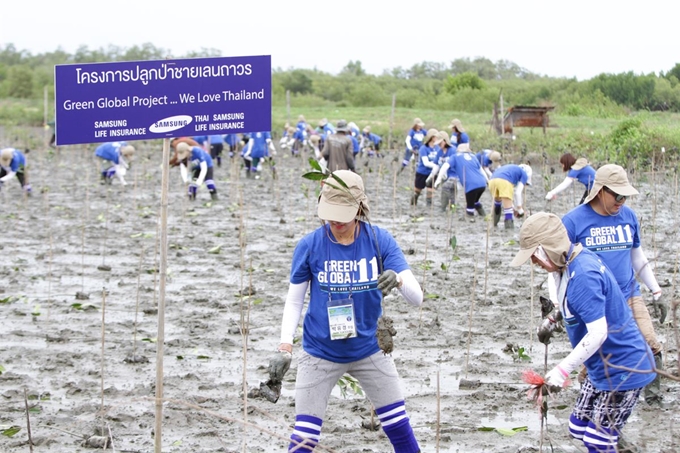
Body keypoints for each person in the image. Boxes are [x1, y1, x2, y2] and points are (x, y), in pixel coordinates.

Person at [268, 170, 423, 453]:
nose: (336, 221)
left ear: (360, 207)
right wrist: (285, 346)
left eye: (343, 213)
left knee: (400, 429)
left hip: (370, 350)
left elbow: (418, 297)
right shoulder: (310, 245)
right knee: (304, 439)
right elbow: (294, 301)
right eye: (330, 212)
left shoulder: (379, 241)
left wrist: (398, 279)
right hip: (320, 353)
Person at [511, 212, 656, 452]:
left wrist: (561, 372)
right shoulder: (569, 261)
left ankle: (611, 442)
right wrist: (553, 318)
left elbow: (598, 333)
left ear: (551, 247)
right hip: (600, 366)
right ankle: (615, 443)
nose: (533, 263)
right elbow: (565, 298)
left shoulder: (584, 276)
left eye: (535, 256)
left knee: (597, 442)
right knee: (578, 427)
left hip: (624, 367)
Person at [560, 164, 666, 405]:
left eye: (625, 196)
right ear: (600, 191)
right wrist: (559, 304)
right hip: (596, 300)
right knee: (597, 354)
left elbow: (637, 256)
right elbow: (560, 266)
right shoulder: (574, 221)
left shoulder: (628, 217)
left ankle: (653, 398)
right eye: (617, 195)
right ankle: (592, 398)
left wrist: (656, 290)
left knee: (651, 344)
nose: (622, 201)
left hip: (628, 293)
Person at [435, 143, 487, 222]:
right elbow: (481, 170)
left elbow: (445, 166)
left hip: (471, 185)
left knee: (469, 208)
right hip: (482, 184)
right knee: (475, 201)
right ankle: (484, 216)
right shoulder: (473, 156)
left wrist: (438, 179)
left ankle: (471, 221)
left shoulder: (455, 157)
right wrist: (488, 181)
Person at [488, 163, 532, 229]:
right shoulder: (524, 174)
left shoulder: (512, 169)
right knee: (508, 210)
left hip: (492, 180)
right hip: (504, 181)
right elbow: (517, 193)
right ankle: (509, 230)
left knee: (497, 203)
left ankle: (494, 225)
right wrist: (520, 209)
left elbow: (507, 199)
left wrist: (513, 209)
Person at [411, 128, 440, 207]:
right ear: (432, 138)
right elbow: (425, 162)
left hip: (433, 173)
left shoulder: (438, 148)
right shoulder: (424, 148)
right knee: (417, 191)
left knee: (430, 191)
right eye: (436, 137)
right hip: (422, 172)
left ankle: (428, 206)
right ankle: (413, 203)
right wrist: (436, 166)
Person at [431, 131, 458, 212]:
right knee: (444, 192)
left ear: (445, 141)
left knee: (447, 189)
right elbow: (436, 165)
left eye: (440, 142)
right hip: (444, 176)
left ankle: (452, 206)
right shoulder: (440, 152)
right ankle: (444, 208)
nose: (439, 145)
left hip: (454, 175)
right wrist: (431, 177)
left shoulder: (453, 150)